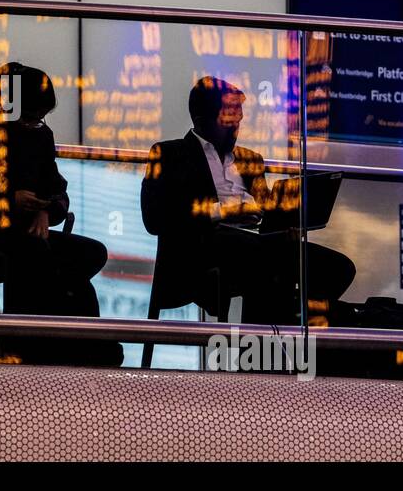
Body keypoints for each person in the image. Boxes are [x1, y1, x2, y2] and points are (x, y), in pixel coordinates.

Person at [0, 62, 122, 366]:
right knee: (37, 257)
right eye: (32, 117)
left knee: (91, 254)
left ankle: (70, 343)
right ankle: (42, 344)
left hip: (27, 235)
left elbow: (58, 189)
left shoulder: (38, 136)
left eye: (41, 118)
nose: (37, 123)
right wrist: (8, 201)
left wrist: (47, 211)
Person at [140, 77, 354, 325]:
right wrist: (224, 211)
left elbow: (265, 211)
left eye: (238, 121)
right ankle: (259, 353)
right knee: (267, 262)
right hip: (202, 250)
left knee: (337, 267)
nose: (235, 128)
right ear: (201, 120)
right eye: (228, 121)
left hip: (256, 244)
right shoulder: (168, 154)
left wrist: (283, 221)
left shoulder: (250, 160)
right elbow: (155, 218)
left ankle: (294, 328)